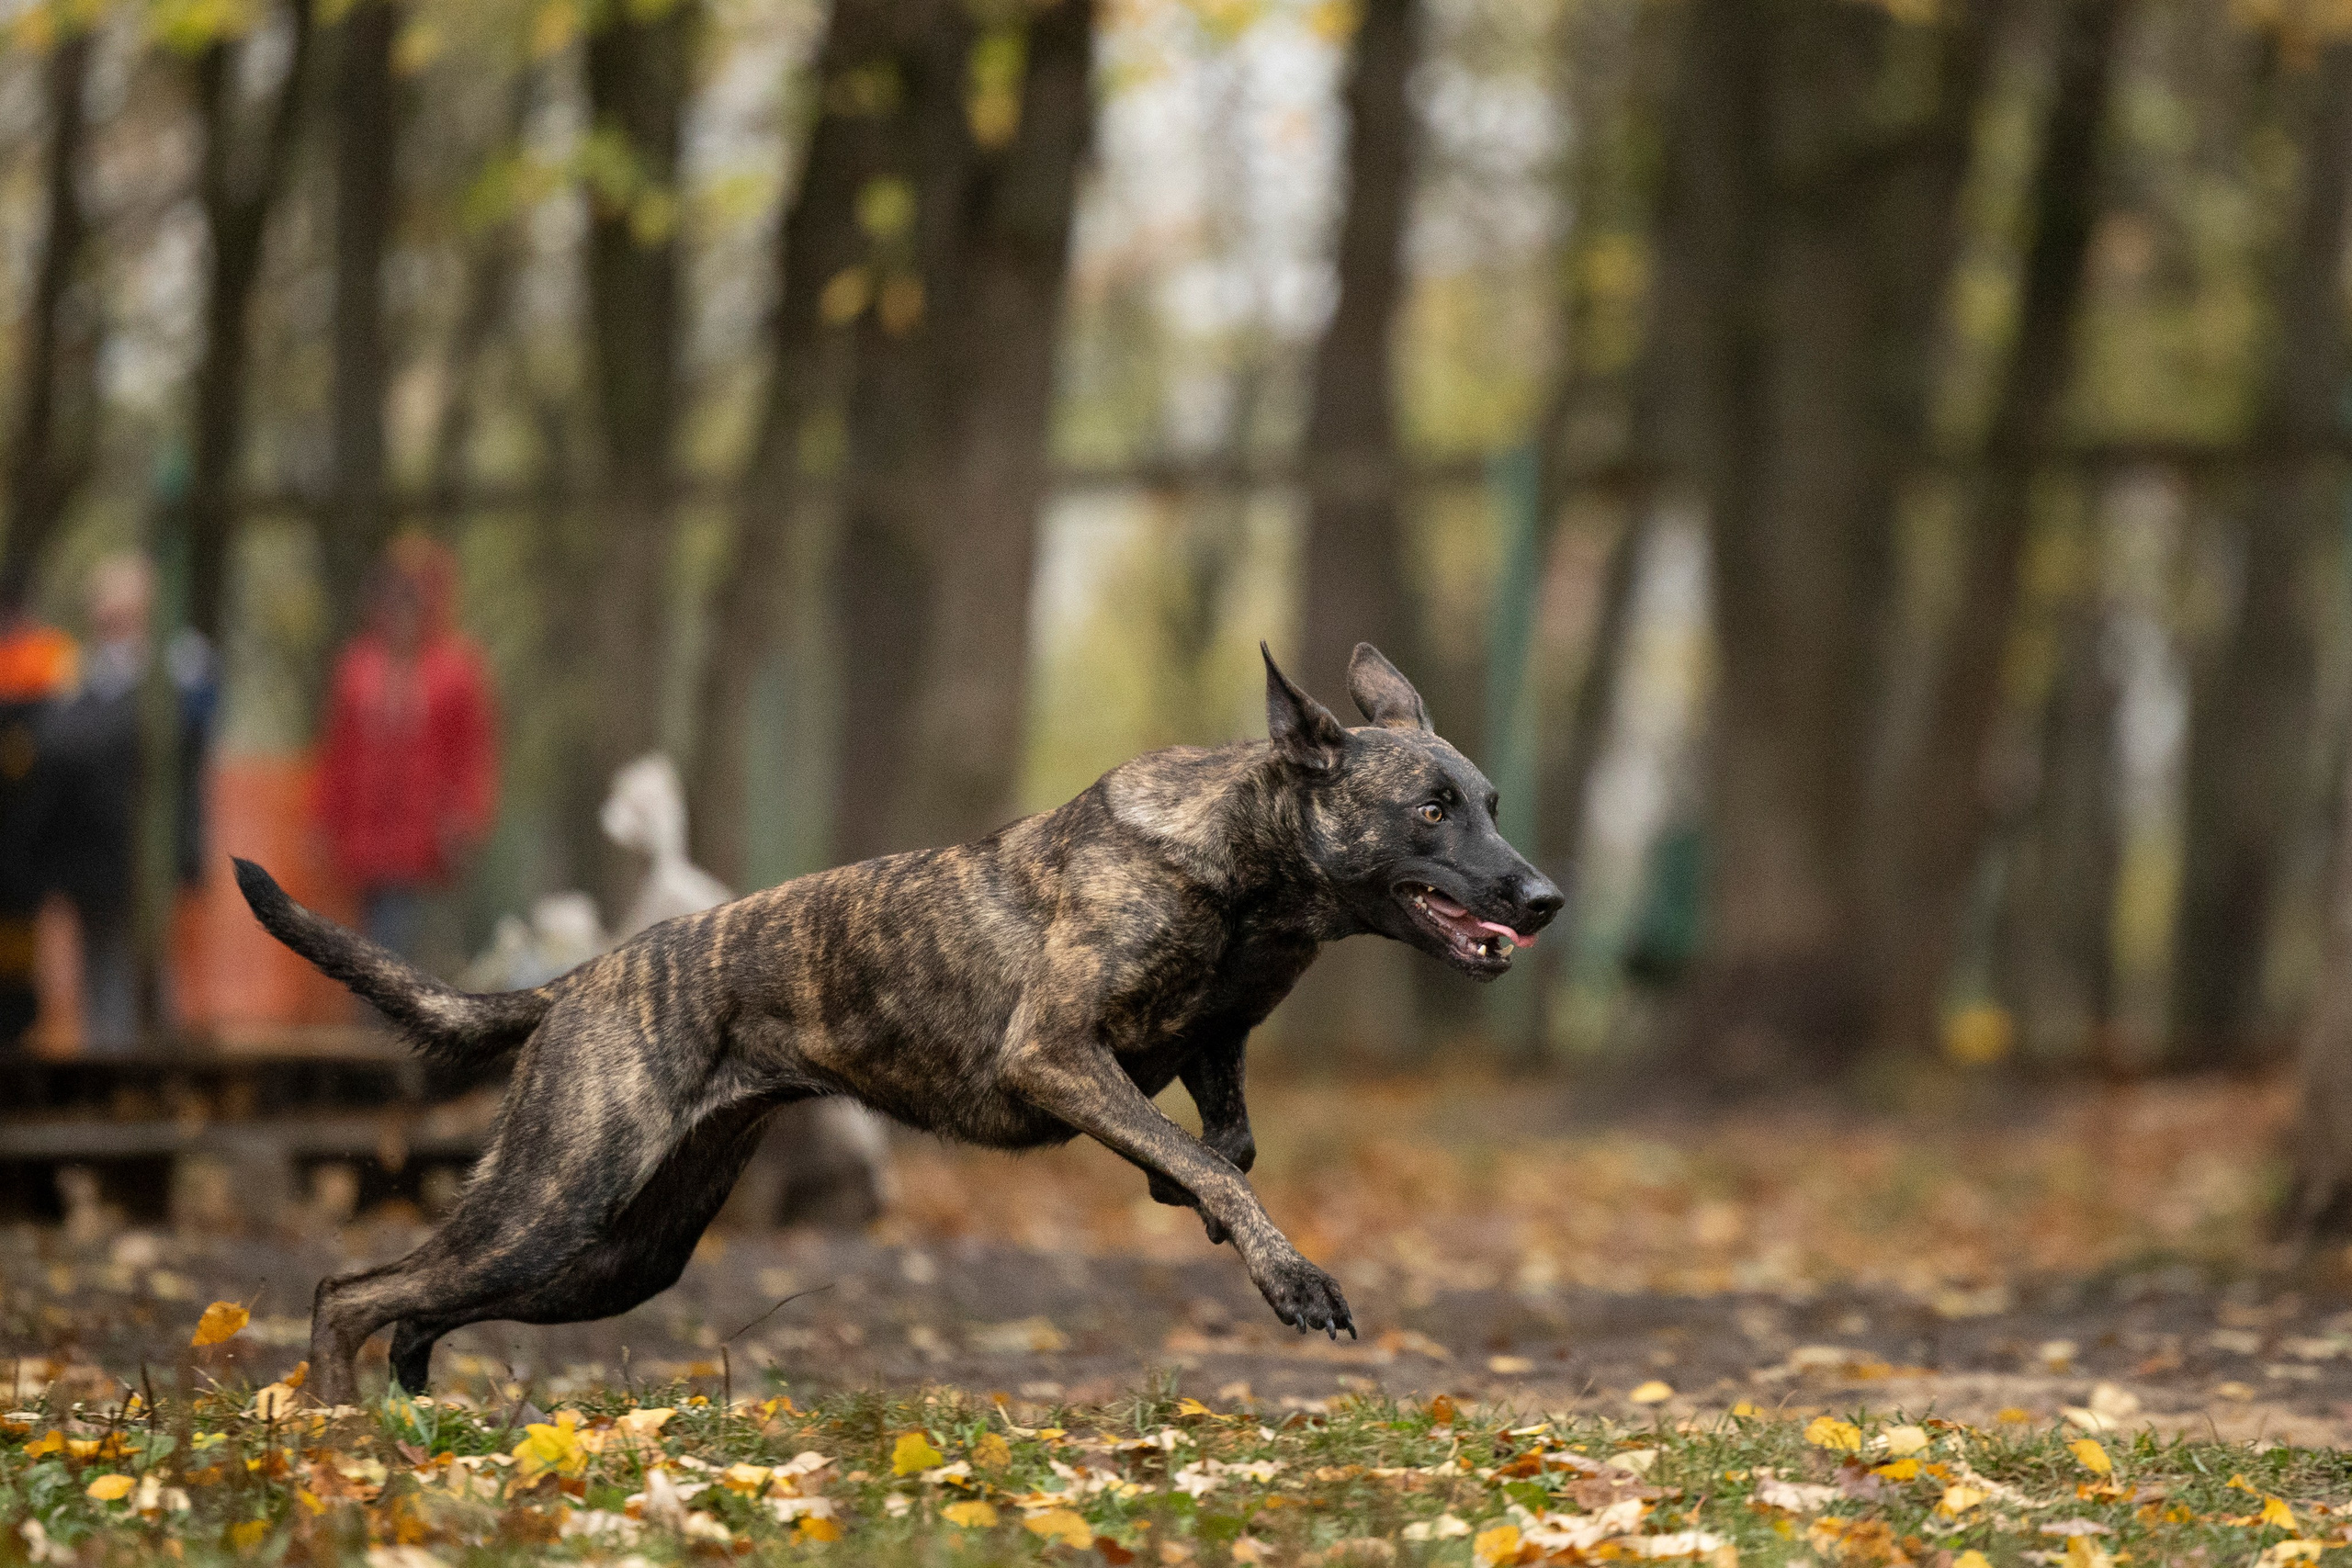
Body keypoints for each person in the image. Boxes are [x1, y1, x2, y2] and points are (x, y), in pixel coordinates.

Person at [39, 554, 217, 1051]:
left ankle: (136, 1069)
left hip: (139, 852)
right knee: (109, 966)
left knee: (137, 967)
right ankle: (117, 1064)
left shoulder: (176, 674)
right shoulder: (86, 674)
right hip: (93, 855)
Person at [313, 536, 498, 965]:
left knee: (399, 936)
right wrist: (323, 818)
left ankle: (393, 1019)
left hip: (426, 837)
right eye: (393, 596)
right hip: (364, 834)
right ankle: (375, 1022)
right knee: (365, 937)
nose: (401, 609)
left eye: (412, 597)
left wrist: (466, 817)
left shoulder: (457, 669)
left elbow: (472, 754)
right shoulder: (358, 665)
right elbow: (337, 752)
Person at [0, 604, 76, 1053]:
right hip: (22, 847)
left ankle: (17, 1018)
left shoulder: (47, 660)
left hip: (23, 850)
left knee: (19, 937)